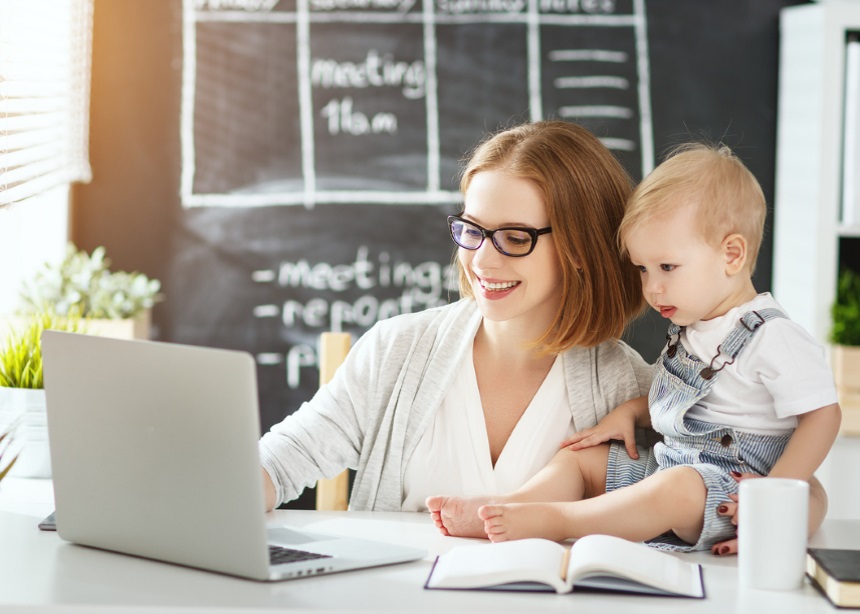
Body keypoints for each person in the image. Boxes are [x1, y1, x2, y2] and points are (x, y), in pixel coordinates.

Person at [426, 143, 839, 554]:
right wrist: (631, 412)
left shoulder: (772, 336)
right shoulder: (692, 329)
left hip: (729, 491)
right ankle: (510, 506)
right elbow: (693, 402)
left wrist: (775, 497)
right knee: (583, 462)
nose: (651, 287)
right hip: (672, 465)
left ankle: (558, 520)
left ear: (731, 255)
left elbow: (823, 415)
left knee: (674, 488)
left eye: (667, 268)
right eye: (643, 269)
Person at [259, 120, 653, 513]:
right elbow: (279, 462)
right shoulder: (395, 351)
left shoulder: (631, 390)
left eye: (515, 238)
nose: (481, 260)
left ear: (581, 249)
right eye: (472, 229)